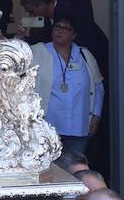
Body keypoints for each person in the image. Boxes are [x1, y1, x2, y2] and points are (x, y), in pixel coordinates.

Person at [30, 12, 103, 154]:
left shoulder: (84, 55)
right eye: (57, 26)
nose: (60, 30)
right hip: (47, 126)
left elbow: (98, 86)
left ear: (74, 35)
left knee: (74, 169)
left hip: (78, 125)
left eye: (66, 28)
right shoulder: (38, 51)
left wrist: (96, 115)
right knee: (48, 171)